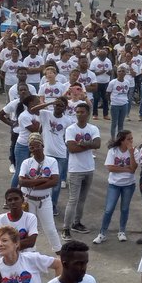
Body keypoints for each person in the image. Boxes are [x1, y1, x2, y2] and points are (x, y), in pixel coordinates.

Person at [63, 102, 100, 242]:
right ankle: (66, 228)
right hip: (75, 170)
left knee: (82, 199)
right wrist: (89, 145)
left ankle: (76, 223)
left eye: (82, 112)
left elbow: (98, 144)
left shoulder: (93, 128)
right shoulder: (70, 129)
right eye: (77, 112)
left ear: (88, 113)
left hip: (89, 168)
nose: (79, 114)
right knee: (73, 200)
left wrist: (82, 144)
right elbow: (71, 149)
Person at [95, 129, 137, 243]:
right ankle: (102, 233)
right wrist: (125, 168)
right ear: (122, 141)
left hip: (129, 185)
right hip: (114, 184)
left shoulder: (134, 151)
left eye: (131, 138)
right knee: (109, 209)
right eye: (129, 139)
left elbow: (133, 169)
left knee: (124, 209)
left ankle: (122, 231)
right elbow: (110, 167)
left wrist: (131, 153)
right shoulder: (113, 151)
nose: (131, 141)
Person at [0, 188, 39, 252]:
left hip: (26, 258)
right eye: (10, 200)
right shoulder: (0, 219)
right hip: (6, 259)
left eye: (16, 199)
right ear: (6, 203)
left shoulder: (30, 217)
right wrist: (23, 240)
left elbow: (31, 242)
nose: (13, 202)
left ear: (22, 200)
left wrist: (4, 242)